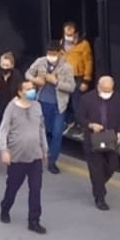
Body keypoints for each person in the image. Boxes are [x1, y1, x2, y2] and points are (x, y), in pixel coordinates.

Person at [0, 80, 48, 234]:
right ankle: (5, 207)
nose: (32, 91)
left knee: (35, 189)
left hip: (35, 156)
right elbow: (3, 130)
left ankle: (34, 220)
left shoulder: (37, 106)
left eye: (33, 88)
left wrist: (44, 149)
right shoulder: (11, 108)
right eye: (28, 89)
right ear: (20, 92)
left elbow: (41, 129)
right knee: (12, 188)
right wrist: (4, 150)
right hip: (17, 157)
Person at [76, 76, 120, 210]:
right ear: (98, 86)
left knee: (113, 165)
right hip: (93, 138)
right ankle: (100, 197)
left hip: (111, 137)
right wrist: (91, 125)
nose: (107, 93)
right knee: (96, 169)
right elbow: (80, 117)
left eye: (109, 90)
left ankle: (98, 184)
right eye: (104, 90)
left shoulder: (117, 98)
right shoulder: (87, 99)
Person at [25, 41, 76, 175]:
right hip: (41, 102)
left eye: (54, 54)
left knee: (57, 133)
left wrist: (56, 82)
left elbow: (71, 87)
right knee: (41, 132)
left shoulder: (67, 67)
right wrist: (36, 80)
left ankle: (52, 161)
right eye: (49, 54)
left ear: (59, 53)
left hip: (58, 106)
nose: (51, 56)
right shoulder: (40, 62)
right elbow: (28, 73)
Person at [62, 22, 94, 134]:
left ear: (76, 33)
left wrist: (86, 80)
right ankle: (69, 122)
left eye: (70, 33)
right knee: (65, 102)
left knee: (78, 103)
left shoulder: (83, 45)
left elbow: (88, 62)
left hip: (78, 77)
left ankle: (82, 126)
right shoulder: (61, 44)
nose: (68, 36)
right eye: (66, 33)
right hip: (65, 78)